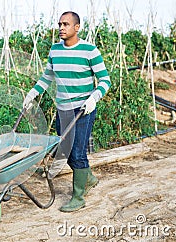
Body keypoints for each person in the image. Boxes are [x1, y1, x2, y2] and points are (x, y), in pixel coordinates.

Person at [23, 11, 111, 212]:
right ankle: (87, 177)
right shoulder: (55, 50)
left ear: (77, 27)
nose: (61, 28)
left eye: (66, 24)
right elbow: (47, 78)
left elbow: (105, 80)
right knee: (66, 151)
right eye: (60, 24)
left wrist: (93, 98)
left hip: (83, 110)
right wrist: (32, 94)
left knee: (77, 153)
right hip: (63, 109)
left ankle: (78, 197)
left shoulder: (90, 51)